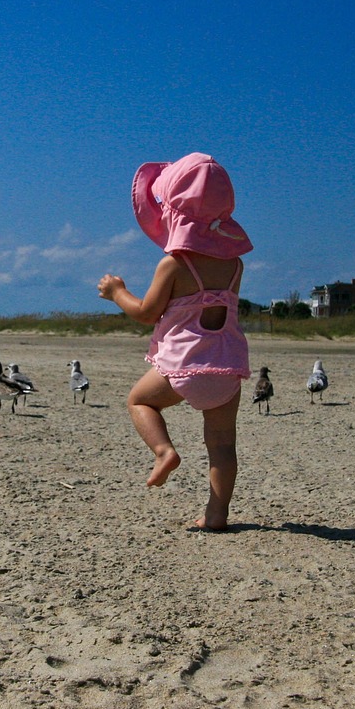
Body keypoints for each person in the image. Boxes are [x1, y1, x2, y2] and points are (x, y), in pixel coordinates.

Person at [97, 152, 253, 530]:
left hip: (184, 364)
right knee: (221, 446)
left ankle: (164, 451)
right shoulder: (234, 265)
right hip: (227, 366)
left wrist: (118, 293)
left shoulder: (175, 264)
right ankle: (217, 514)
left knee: (139, 401)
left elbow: (148, 312)